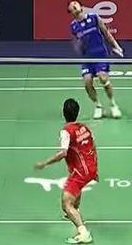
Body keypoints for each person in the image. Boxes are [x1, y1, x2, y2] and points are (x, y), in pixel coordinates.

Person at [35, 98, 98, 244]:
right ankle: (76, 211)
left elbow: (63, 153)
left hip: (80, 171)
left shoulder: (66, 131)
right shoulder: (84, 128)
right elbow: (92, 146)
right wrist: (94, 168)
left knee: (65, 205)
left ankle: (83, 232)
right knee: (76, 190)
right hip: (90, 167)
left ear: (64, 113)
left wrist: (45, 163)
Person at [68, 0, 123, 119]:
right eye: (72, 6)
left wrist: (117, 46)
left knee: (103, 77)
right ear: (71, 12)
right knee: (87, 83)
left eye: (75, 4)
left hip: (100, 55)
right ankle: (98, 106)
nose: (74, 5)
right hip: (87, 59)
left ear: (81, 7)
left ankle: (113, 105)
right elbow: (76, 43)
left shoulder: (94, 17)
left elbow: (106, 33)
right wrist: (78, 49)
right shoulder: (74, 26)